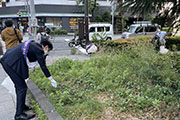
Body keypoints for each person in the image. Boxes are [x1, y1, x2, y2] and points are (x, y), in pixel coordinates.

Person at [0, 40, 57, 120]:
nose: (47, 52)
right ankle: (19, 115)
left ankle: (22, 106)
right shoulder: (39, 50)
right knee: (22, 88)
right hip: (10, 63)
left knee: (20, 86)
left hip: (9, 60)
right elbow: (43, 66)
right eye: (48, 50)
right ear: (46, 47)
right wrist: (50, 78)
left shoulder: (34, 45)